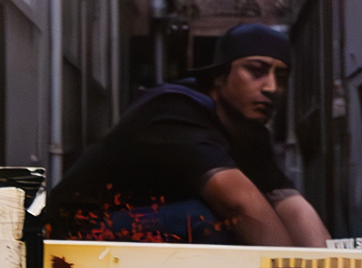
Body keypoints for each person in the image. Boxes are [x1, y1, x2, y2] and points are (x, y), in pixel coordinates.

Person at [45, 24, 330, 246]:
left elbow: (291, 205)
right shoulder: (172, 110)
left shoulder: (249, 131)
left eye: (280, 77)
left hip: (135, 237)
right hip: (73, 234)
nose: (271, 87)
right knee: (210, 219)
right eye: (256, 71)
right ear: (219, 77)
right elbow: (239, 204)